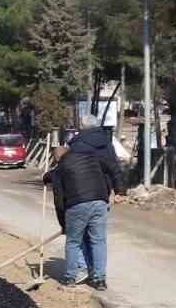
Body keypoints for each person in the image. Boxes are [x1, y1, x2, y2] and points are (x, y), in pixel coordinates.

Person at [43, 119, 124, 289]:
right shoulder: (92, 156)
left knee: (73, 241)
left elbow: (59, 199)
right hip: (100, 200)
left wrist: (64, 224)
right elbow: (113, 168)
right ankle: (99, 279)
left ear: (57, 160)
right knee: (99, 240)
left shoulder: (61, 167)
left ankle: (71, 277)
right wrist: (119, 190)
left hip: (78, 204)